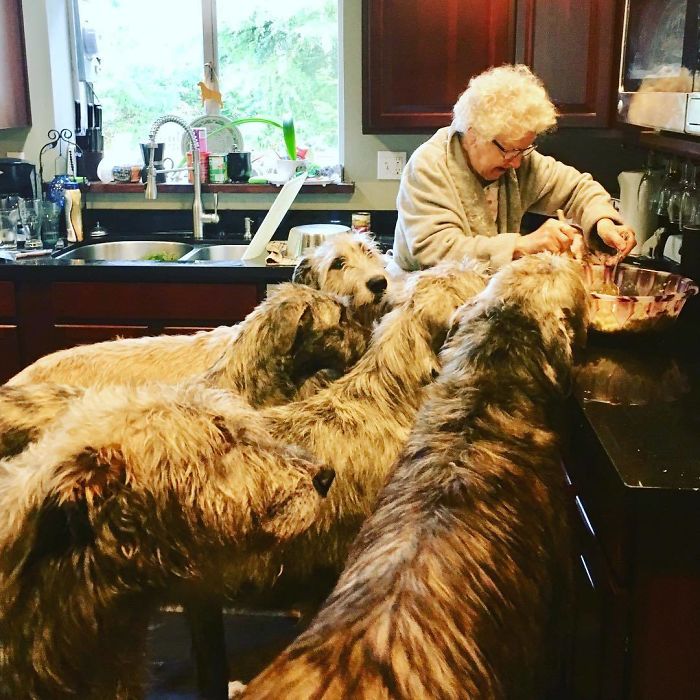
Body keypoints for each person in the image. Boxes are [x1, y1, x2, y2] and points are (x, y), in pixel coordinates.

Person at [393, 64, 636, 272]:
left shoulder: (517, 160)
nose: (517, 163)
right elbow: (434, 250)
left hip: (484, 304)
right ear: (474, 134)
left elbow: (577, 188)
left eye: (523, 150)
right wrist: (522, 245)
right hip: (424, 305)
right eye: (508, 150)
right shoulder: (429, 166)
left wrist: (603, 222)